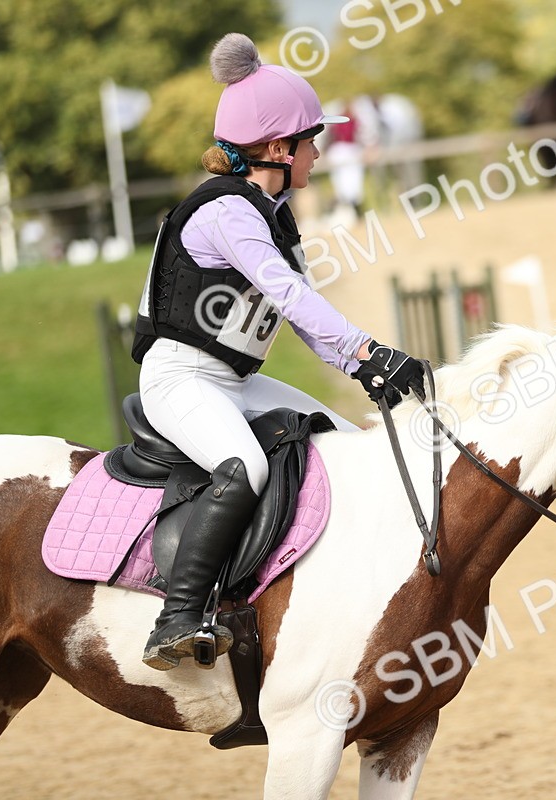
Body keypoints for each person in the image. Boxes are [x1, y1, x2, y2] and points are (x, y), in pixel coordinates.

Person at [131, 33, 425, 671]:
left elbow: (305, 320)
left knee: (347, 443)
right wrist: (370, 350)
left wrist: (366, 370)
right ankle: (176, 618)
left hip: (231, 381)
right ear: (275, 148)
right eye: (311, 139)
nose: (319, 152)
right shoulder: (228, 213)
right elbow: (289, 296)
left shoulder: (271, 214)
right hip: (180, 378)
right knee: (244, 467)